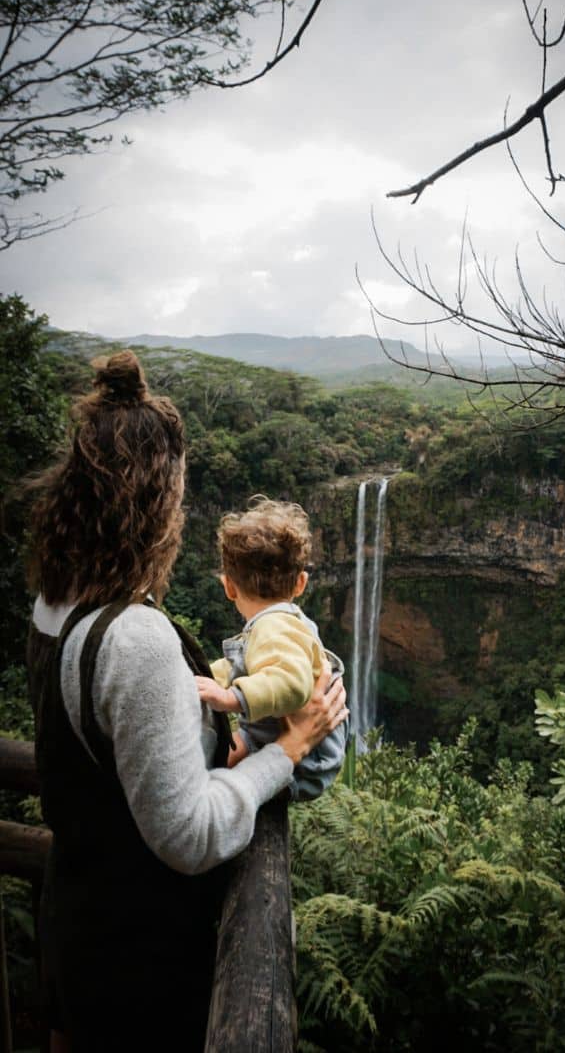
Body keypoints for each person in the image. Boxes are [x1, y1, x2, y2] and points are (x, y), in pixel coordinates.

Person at [22, 351, 349, 1048]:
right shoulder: (134, 638)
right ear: (159, 507)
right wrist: (289, 748)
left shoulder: (53, 606)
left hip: (75, 921)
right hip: (138, 962)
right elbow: (190, 836)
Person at [197, 496, 346, 800]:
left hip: (306, 762)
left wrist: (229, 697)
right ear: (301, 584)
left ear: (229, 587)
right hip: (286, 739)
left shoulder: (273, 626)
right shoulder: (282, 622)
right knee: (221, 756)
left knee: (207, 771)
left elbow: (292, 683)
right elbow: (241, 663)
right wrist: (204, 676)